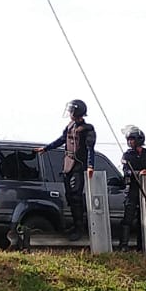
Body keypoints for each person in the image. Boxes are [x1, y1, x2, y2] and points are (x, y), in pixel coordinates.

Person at [36, 98, 95, 242]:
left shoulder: (88, 129)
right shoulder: (69, 126)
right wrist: (46, 148)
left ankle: (79, 228)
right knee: (69, 196)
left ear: (77, 111)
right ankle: (75, 225)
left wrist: (90, 166)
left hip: (79, 166)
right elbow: (61, 140)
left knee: (76, 197)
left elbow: (90, 149)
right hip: (68, 165)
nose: (69, 113)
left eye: (71, 111)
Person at [119, 126, 146, 252]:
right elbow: (126, 172)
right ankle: (123, 245)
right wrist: (138, 173)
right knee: (127, 217)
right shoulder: (127, 155)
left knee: (143, 218)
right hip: (131, 189)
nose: (129, 142)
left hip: (145, 190)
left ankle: (142, 246)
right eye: (128, 140)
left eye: (132, 139)